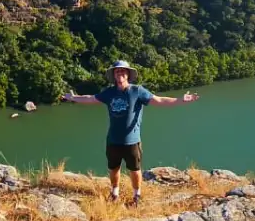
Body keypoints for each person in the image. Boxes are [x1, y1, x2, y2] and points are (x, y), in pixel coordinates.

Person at [61, 60, 199, 204]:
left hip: (132, 141)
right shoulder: (109, 92)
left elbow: (159, 100)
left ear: (128, 74)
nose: (120, 73)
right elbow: (90, 99)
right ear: (114, 75)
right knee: (113, 169)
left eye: (123, 71)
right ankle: (115, 193)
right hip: (113, 140)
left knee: (135, 170)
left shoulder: (137, 91)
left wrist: (180, 100)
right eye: (117, 71)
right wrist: (73, 98)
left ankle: (136, 195)